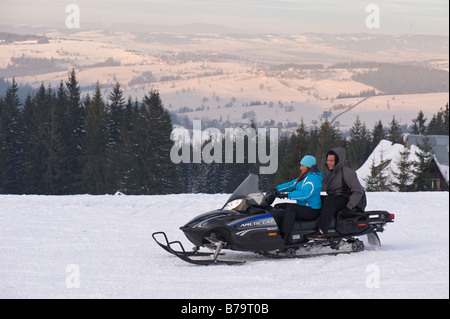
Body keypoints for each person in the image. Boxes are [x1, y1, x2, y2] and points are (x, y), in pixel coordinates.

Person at [308, 147, 365, 240]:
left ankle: (322, 232)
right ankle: (311, 224)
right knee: (317, 199)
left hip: (345, 198)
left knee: (329, 201)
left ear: (338, 161)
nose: (328, 162)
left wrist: (349, 207)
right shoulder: (329, 172)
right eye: (327, 160)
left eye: (331, 160)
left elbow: (358, 191)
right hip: (333, 197)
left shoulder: (348, 173)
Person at [275, 155, 323, 244]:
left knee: (291, 208)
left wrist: (287, 195)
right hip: (303, 207)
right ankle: (277, 230)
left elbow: (304, 194)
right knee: (279, 206)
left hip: (312, 210)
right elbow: (292, 184)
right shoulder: (304, 177)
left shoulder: (312, 180)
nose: (300, 168)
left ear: (309, 167)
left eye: (302, 166)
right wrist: (276, 189)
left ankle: (285, 237)